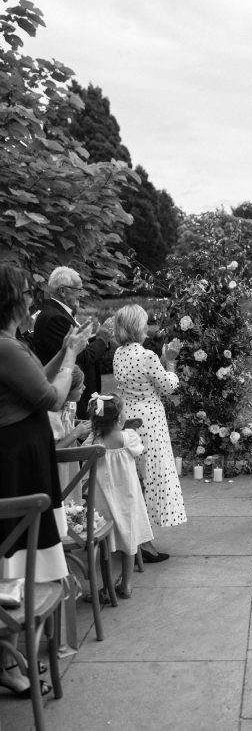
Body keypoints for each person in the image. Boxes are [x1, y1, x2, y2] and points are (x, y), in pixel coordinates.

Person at [0, 263, 92, 698]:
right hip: (15, 459)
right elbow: (50, 396)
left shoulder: (12, 345)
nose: (31, 300)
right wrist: (71, 357)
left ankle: (16, 651)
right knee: (16, 555)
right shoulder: (3, 346)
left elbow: (37, 377)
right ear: (12, 300)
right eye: (25, 293)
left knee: (23, 552)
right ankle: (8, 659)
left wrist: (66, 347)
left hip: (24, 454)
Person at [112, 305, 186, 562]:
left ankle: (138, 539)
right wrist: (172, 361)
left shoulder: (119, 353)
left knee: (137, 478)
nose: (146, 328)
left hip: (129, 418)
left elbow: (141, 380)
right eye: (144, 324)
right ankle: (144, 543)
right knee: (153, 477)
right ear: (136, 327)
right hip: (151, 421)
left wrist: (163, 361)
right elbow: (167, 386)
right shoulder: (146, 356)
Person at [84, 393, 154, 599]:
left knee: (106, 543)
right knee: (129, 539)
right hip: (128, 495)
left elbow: (82, 455)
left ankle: (106, 589)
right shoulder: (129, 437)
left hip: (103, 498)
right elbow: (139, 451)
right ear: (118, 419)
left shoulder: (93, 442)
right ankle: (126, 585)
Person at [33, 267, 114, 418]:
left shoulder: (59, 314)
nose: (81, 294)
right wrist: (102, 340)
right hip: (68, 397)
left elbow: (76, 347)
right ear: (63, 291)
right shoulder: (55, 318)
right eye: (78, 289)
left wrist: (94, 339)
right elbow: (79, 356)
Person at [49, 366, 90, 505]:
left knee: (71, 500)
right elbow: (52, 452)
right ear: (67, 390)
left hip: (70, 466)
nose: (84, 387)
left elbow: (68, 427)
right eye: (80, 386)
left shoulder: (71, 404)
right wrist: (75, 433)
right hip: (55, 470)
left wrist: (82, 431)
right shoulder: (50, 415)